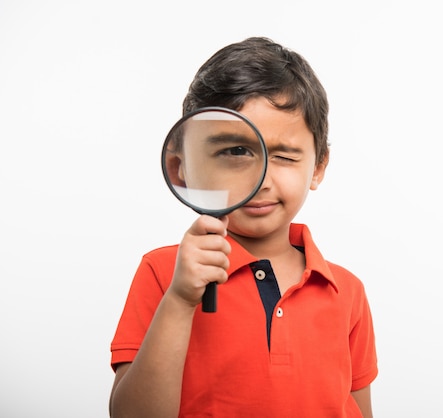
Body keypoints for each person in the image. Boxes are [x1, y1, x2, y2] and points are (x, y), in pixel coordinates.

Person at [109, 37, 378, 418]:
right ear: (179, 169)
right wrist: (181, 300)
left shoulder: (346, 290)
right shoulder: (163, 274)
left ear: (318, 167)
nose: (262, 178)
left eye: (284, 155)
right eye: (236, 151)